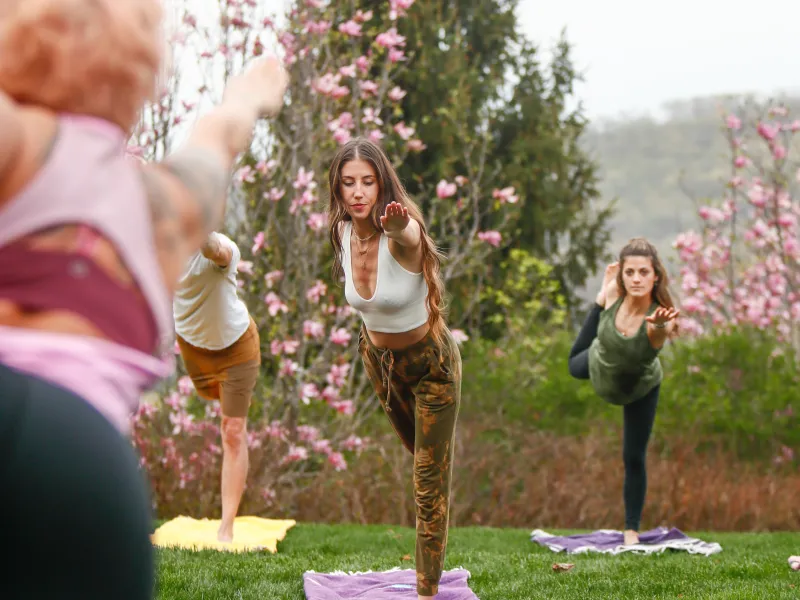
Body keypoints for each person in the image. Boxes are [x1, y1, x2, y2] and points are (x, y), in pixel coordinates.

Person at [0, 1, 288, 597]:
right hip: (91, 468)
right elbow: (220, 135)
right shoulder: (169, 202)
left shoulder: (17, 138)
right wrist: (250, 93)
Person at [327, 138, 462, 600]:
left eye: (368, 181)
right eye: (349, 183)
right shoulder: (343, 234)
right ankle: (437, 513)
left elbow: (411, 240)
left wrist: (403, 227)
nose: (359, 192)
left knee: (427, 483)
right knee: (422, 463)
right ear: (338, 189)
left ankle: (426, 592)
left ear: (383, 183)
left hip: (431, 368)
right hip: (379, 362)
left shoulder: (400, 230)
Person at [567, 238, 680, 546]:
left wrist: (658, 328)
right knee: (572, 365)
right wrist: (606, 296)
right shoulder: (618, 292)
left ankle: (631, 530)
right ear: (622, 276)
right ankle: (599, 297)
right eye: (629, 272)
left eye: (644, 272)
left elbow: (659, 334)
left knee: (633, 456)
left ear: (655, 275)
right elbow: (579, 354)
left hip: (637, 387)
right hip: (600, 363)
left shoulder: (660, 318)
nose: (636, 279)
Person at [173, 231, 261, 543]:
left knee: (233, 430)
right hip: (193, 350)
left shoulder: (220, 249)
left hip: (236, 349)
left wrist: (200, 231)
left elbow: (218, 251)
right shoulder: (160, 249)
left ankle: (226, 527)